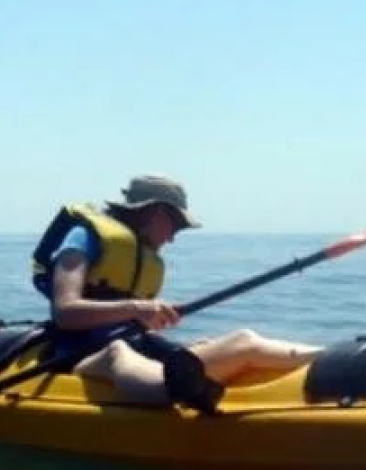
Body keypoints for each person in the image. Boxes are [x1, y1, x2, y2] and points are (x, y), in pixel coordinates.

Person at [31, 174, 321, 411]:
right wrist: (136, 308)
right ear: (156, 212)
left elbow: (135, 323)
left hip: (139, 348)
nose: (173, 236)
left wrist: (150, 318)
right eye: (176, 224)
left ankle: (343, 360)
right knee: (117, 352)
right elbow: (65, 312)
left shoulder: (141, 254)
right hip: (79, 357)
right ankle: (178, 391)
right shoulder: (83, 238)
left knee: (242, 340)